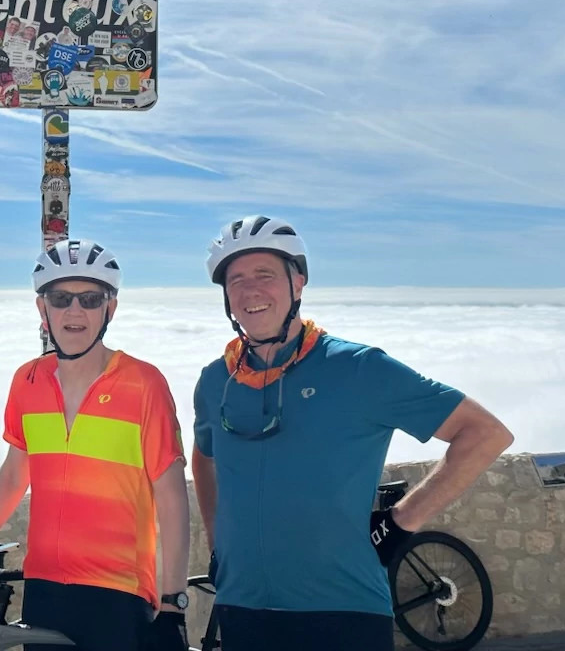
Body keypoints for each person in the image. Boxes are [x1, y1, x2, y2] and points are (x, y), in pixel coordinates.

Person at [191, 216, 514, 651]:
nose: (250, 291)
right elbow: (205, 458)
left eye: (265, 275)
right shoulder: (217, 381)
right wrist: (219, 548)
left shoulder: (358, 367)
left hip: (343, 609)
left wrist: (400, 524)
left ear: (298, 282)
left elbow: (485, 434)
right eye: (236, 280)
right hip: (243, 606)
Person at [0, 239, 191, 651]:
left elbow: (171, 496)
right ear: (43, 309)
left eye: (90, 299)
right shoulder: (28, 380)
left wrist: (173, 603)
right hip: (43, 589)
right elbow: (13, 475)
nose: (74, 311)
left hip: (118, 591)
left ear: (109, 309)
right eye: (61, 298)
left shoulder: (144, 383)